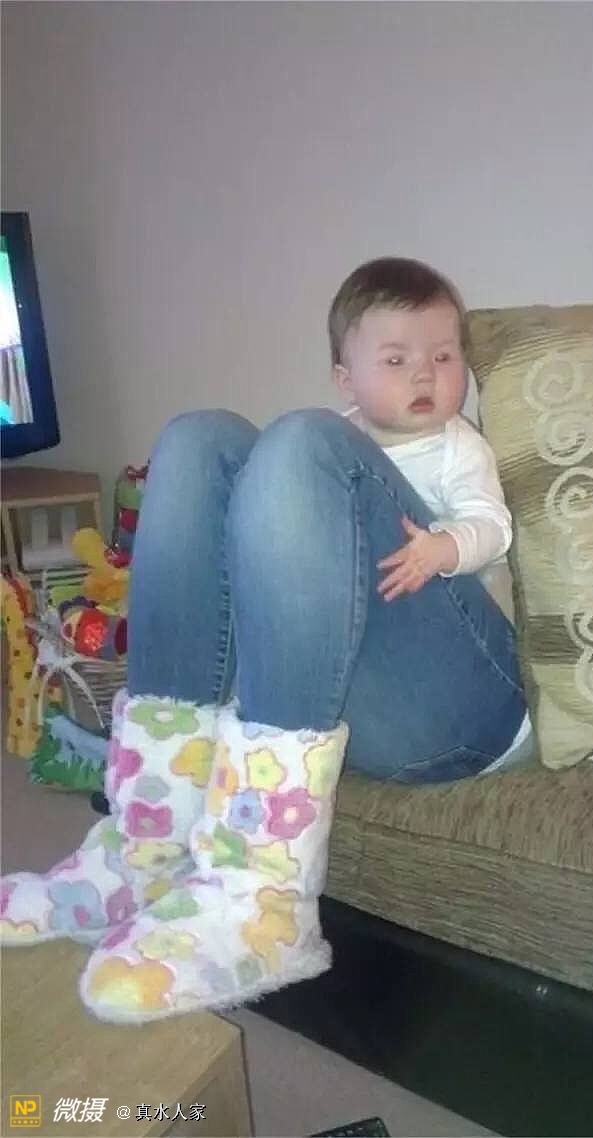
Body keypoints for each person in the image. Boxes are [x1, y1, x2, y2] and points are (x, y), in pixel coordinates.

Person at [0, 257, 529, 1024]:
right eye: (397, 359)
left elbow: (491, 527)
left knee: (300, 441)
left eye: (445, 357)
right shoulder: (343, 436)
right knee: (199, 438)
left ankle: (262, 901)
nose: (427, 374)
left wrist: (445, 547)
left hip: (470, 705)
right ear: (346, 376)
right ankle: (146, 846)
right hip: (362, 688)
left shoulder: (453, 446)